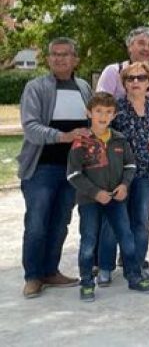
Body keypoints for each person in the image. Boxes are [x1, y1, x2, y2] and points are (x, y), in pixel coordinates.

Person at [18, 38, 91, 298]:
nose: (59, 59)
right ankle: (33, 276)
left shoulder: (84, 87)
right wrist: (65, 136)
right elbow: (31, 128)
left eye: (65, 54)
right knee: (37, 222)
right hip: (41, 168)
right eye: (54, 54)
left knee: (61, 222)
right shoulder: (36, 87)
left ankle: (50, 271)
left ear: (75, 60)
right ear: (48, 59)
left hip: (72, 169)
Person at [67, 92, 149, 301]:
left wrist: (125, 185)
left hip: (116, 200)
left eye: (108, 112)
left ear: (114, 115)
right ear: (89, 112)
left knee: (126, 237)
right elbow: (73, 174)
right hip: (90, 201)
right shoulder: (81, 142)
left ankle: (133, 276)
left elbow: (131, 165)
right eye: (98, 111)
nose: (103, 116)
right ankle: (87, 282)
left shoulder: (120, 139)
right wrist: (95, 192)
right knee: (89, 241)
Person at [97, 62, 149, 286]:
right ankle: (105, 267)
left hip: (146, 174)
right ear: (124, 83)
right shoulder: (115, 108)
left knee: (141, 222)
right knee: (112, 222)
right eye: (130, 78)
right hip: (117, 175)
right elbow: (100, 135)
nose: (135, 82)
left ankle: (134, 265)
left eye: (141, 78)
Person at [97, 27, 149, 104]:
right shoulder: (113, 72)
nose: (146, 48)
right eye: (141, 43)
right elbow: (99, 105)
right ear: (130, 47)